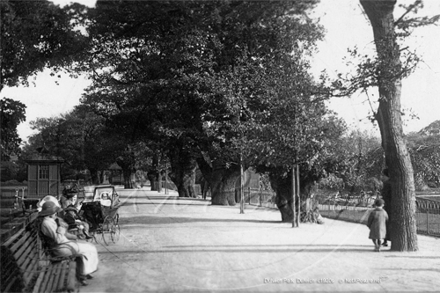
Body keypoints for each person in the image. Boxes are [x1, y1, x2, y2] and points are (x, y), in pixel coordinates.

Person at [37, 201, 99, 286]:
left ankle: (84, 271)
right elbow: (58, 239)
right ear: (50, 213)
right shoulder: (47, 223)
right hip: (59, 248)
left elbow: (63, 234)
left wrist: (75, 237)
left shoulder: (51, 221)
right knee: (89, 249)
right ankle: (84, 272)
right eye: (55, 212)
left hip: (63, 244)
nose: (56, 213)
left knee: (89, 247)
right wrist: (61, 230)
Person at [381, 168, 392, 247]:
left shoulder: (387, 183)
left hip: (388, 206)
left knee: (386, 223)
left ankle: (385, 240)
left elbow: (385, 195)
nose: (382, 177)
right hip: (391, 205)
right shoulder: (392, 183)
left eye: (383, 175)